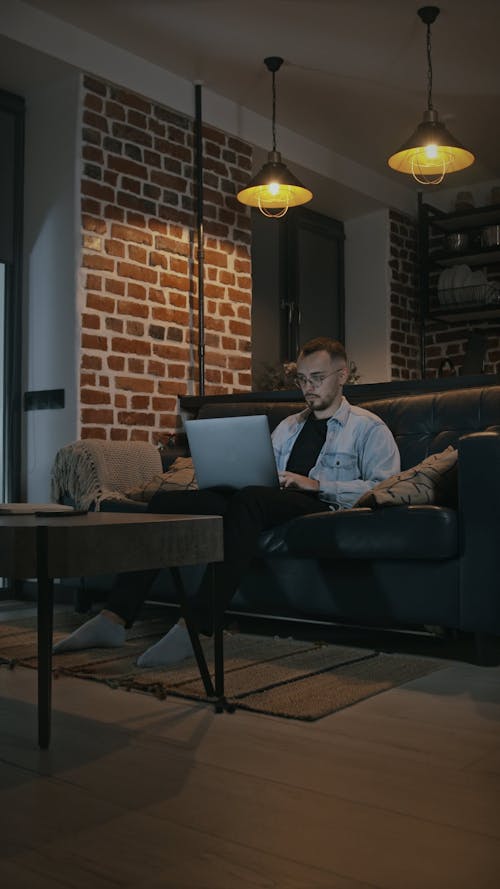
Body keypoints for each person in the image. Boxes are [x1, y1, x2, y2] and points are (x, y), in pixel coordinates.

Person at [54, 337, 400, 665]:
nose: (308, 387)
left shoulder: (369, 428)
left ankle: (198, 625)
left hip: (318, 504)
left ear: (341, 376)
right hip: (266, 501)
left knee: (249, 500)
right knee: (168, 503)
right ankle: (114, 617)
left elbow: (383, 486)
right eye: (302, 379)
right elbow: (262, 474)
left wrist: (317, 483)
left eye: (317, 378)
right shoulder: (289, 427)